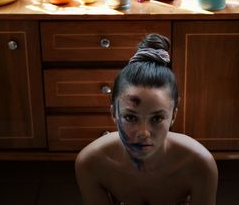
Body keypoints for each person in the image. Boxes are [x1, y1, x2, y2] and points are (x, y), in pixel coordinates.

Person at [75, 34, 218, 205]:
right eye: (130, 117)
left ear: (173, 115)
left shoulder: (199, 165)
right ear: (113, 113)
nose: (143, 133)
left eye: (157, 118)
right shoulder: (91, 163)